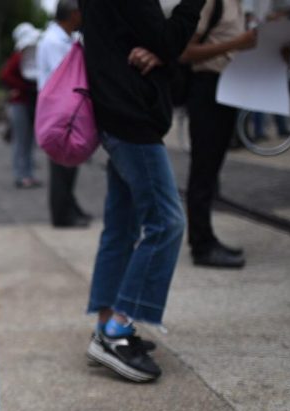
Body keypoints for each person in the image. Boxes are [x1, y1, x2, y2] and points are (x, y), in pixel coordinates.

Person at [80, 0, 204, 383]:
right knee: (166, 223)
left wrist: (161, 54)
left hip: (117, 112)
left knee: (121, 229)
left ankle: (106, 325)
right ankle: (117, 330)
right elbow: (169, 39)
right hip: (132, 117)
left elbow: (158, 44)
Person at [181, 0, 257, 268]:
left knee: (211, 169)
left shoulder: (237, 5)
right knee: (203, 170)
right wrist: (238, 43)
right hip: (207, 88)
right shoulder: (211, 3)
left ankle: (206, 238)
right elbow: (186, 52)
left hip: (229, 87)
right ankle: (201, 245)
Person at [37, 0, 93, 227]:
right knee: (62, 165)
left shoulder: (62, 38)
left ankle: (70, 207)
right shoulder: (54, 41)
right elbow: (65, 76)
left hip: (61, 107)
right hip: (59, 109)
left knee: (68, 164)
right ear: (74, 14)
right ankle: (63, 215)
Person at [1, 22, 44, 189]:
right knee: (22, 141)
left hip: (28, 102)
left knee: (29, 140)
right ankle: (21, 175)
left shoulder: (28, 53)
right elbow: (5, 75)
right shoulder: (19, 56)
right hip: (20, 104)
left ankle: (28, 173)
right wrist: (22, 87)